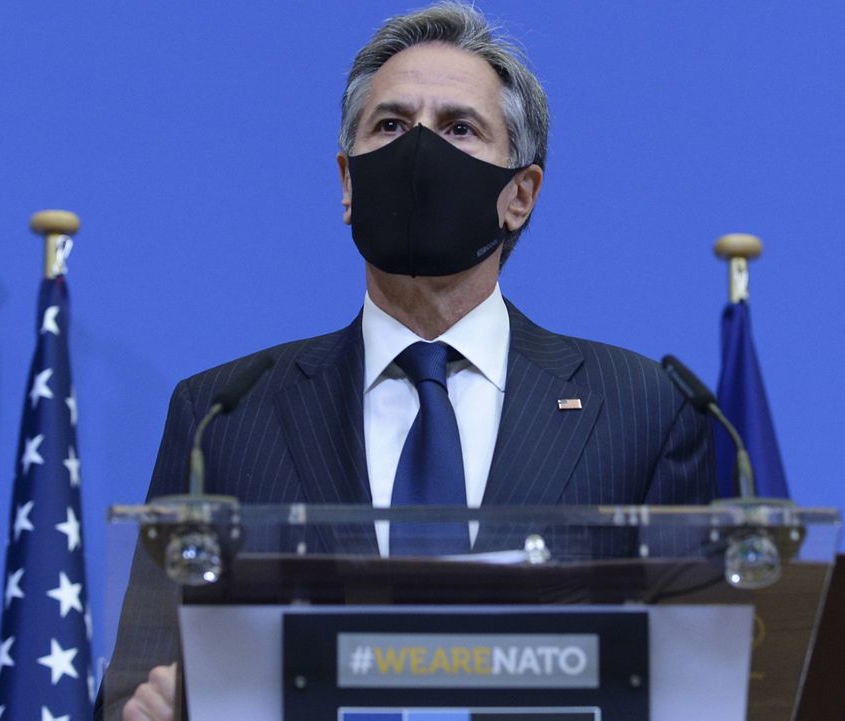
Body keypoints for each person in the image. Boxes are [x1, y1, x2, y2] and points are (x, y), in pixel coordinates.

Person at [104, 3, 716, 719]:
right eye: (391, 125)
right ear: (347, 181)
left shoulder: (642, 409)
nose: (419, 150)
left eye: (459, 128)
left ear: (521, 194)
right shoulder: (223, 418)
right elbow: (135, 683)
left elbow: (705, 680)